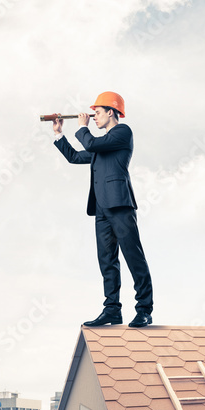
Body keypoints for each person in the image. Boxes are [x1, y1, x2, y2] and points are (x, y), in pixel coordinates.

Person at [52, 91, 153, 327]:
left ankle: (144, 310)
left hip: (120, 205)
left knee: (133, 257)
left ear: (111, 112)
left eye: (97, 113)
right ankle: (112, 310)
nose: (93, 117)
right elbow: (76, 157)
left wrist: (81, 127)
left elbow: (91, 142)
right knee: (107, 260)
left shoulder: (122, 133)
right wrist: (59, 134)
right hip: (101, 209)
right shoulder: (101, 146)